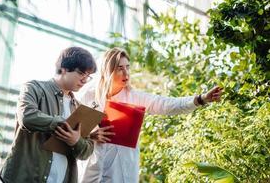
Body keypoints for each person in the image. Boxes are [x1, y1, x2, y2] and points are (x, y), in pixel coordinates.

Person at [78, 47, 223, 183]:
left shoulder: (135, 98)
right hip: (91, 169)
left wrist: (200, 99)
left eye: (128, 67)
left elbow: (167, 105)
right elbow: (73, 130)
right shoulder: (89, 96)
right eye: (120, 68)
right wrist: (91, 135)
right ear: (107, 71)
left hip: (121, 171)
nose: (126, 73)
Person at [0, 47, 97, 183]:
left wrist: (76, 141)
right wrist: (63, 124)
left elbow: (86, 151)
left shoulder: (79, 108)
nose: (85, 80)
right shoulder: (33, 88)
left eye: (88, 76)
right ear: (63, 68)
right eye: (81, 73)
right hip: (26, 178)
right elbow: (27, 117)